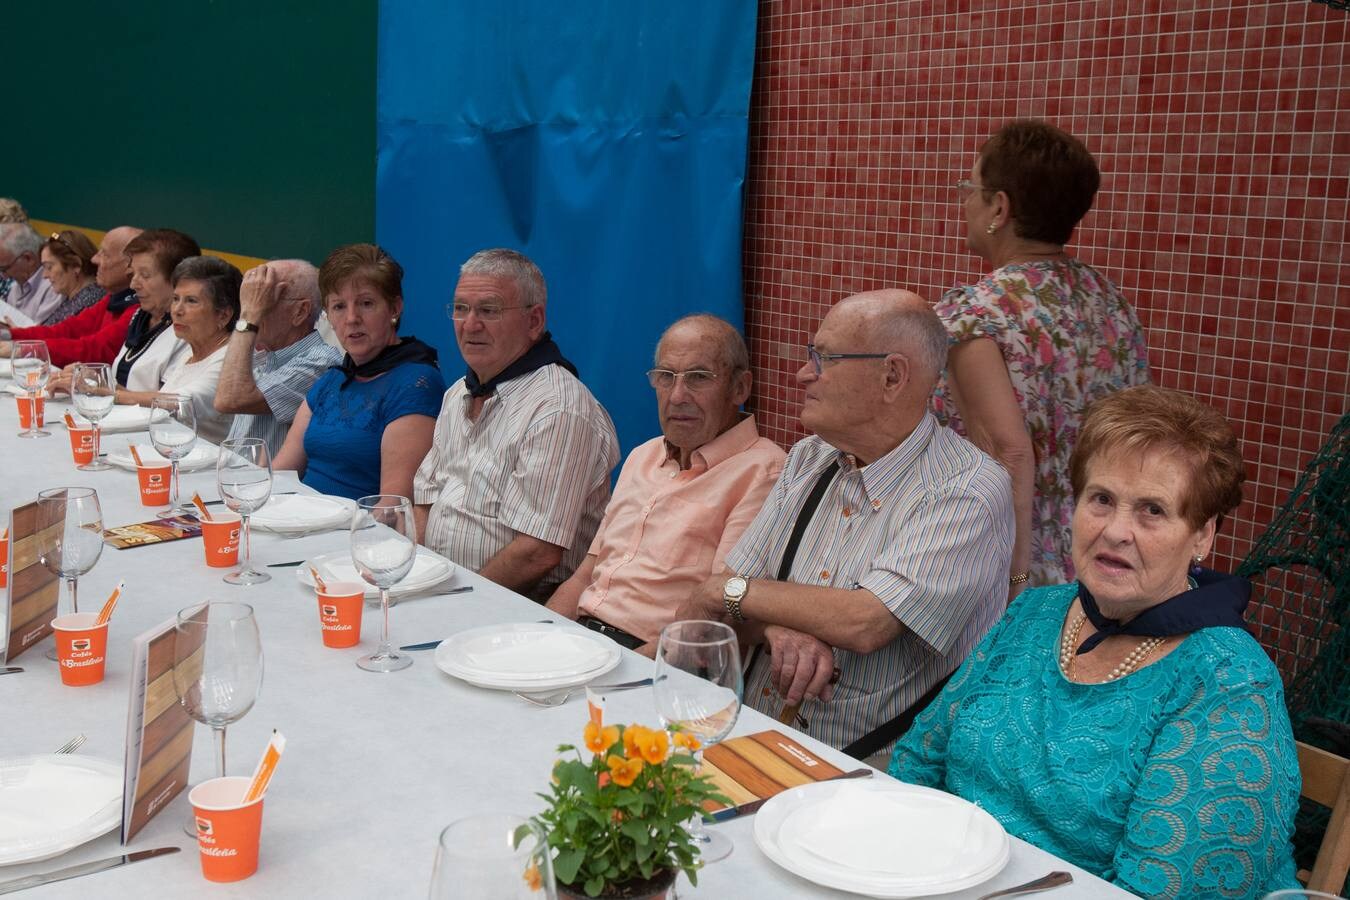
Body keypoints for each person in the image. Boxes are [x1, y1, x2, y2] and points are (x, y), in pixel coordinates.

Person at [888, 385, 1299, 898]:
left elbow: (1162, 890)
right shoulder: (1036, 612)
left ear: (1202, 536)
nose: (1116, 531)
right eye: (1102, 499)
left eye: (1152, 510)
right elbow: (919, 762)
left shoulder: (1228, 682)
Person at [673, 290, 1013, 755]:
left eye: (825, 358)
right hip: (748, 736)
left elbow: (867, 621)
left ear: (892, 376)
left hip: (864, 773)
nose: (803, 373)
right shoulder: (811, 457)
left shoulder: (967, 490)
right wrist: (774, 628)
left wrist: (724, 593)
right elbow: (735, 598)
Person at [936, 119, 1150, 592]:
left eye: (971, 187)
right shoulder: (1109, 303)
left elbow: (1005, 454)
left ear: (999, 207)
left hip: (1015, 564)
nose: (964, 200)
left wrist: (1013, 583)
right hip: (1103, 553)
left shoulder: (976, 314)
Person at [546, 314, 785, 653]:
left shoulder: (764, 472)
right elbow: (586, 575)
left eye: (699, 378)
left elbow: (715, 619)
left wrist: (617, 675)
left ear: (740, 388)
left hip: (652, 659)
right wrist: (542, 638)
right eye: (666, 377)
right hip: (582, 641)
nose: (677, 396)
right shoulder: (643, 455)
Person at [414, 248, 618, 600]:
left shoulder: (558, 408)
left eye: (489, 310)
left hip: (520, 607)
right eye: (461, 309)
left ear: (534, 321)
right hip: (440, 587)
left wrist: (455, 603)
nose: (470, 324)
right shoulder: (456, 394)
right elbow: (424, 501)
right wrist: (416, 580)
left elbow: (537, 553)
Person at [272, 243, 445, 500]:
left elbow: (393, 507)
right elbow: (280, 474)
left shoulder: (417, 384)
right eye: (339, 306)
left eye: (366, 303)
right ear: (327, 315)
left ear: (395, 308)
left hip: (354, 532)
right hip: (297, 520)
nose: (352, 318)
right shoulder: (332, 380)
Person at [215, 259, 343, 455]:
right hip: (235, 476)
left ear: (300, 312)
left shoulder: (321, 363)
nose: (247, 308)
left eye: (262, 299)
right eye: (248, 298)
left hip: (270, 483)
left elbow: (229, 400)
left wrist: (249, 316)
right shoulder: (264, 353)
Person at [116, 256, 241, 443]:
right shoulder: (190, 352)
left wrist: (111, 395)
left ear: (223, 315)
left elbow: (181, 403)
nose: (177, 310)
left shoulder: (232, 358)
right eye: (175, 299)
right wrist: (100, 387)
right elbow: (158, 401)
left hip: (210, 467)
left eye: (191, 301)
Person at [0, 226, 142, 369]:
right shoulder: (114, 299)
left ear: (130, 264)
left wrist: (26, 349)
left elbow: (96, 349)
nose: (94, 259)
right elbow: (65, 330)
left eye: (104, 254)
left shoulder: (138, 305)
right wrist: (8, 335)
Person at [101, 228, 200, 393]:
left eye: (145, 275)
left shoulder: (189, 333)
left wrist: (105, 390)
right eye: (133, 274)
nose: (133, 285)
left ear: (178, 280)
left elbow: (171, 404)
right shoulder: (141, 316)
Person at [35, 230, 103, 326]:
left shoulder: (90, 304)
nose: (44, 275)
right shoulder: (75, 298)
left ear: (76, 265)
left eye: (49, 267)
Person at [0, 222, 61, 325]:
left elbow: (36, 337)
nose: (3, 276)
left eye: (4, 269)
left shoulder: (53, 287)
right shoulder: (18, 283)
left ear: (28, 258)